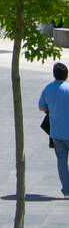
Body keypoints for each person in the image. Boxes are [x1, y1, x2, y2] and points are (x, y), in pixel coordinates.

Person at [38, 61, 69, 197]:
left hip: (56, 132)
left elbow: (42, 107)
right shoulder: (68, 89)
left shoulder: (48, 88)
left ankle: (67, 189)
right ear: (67, 75)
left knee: (61, 161)